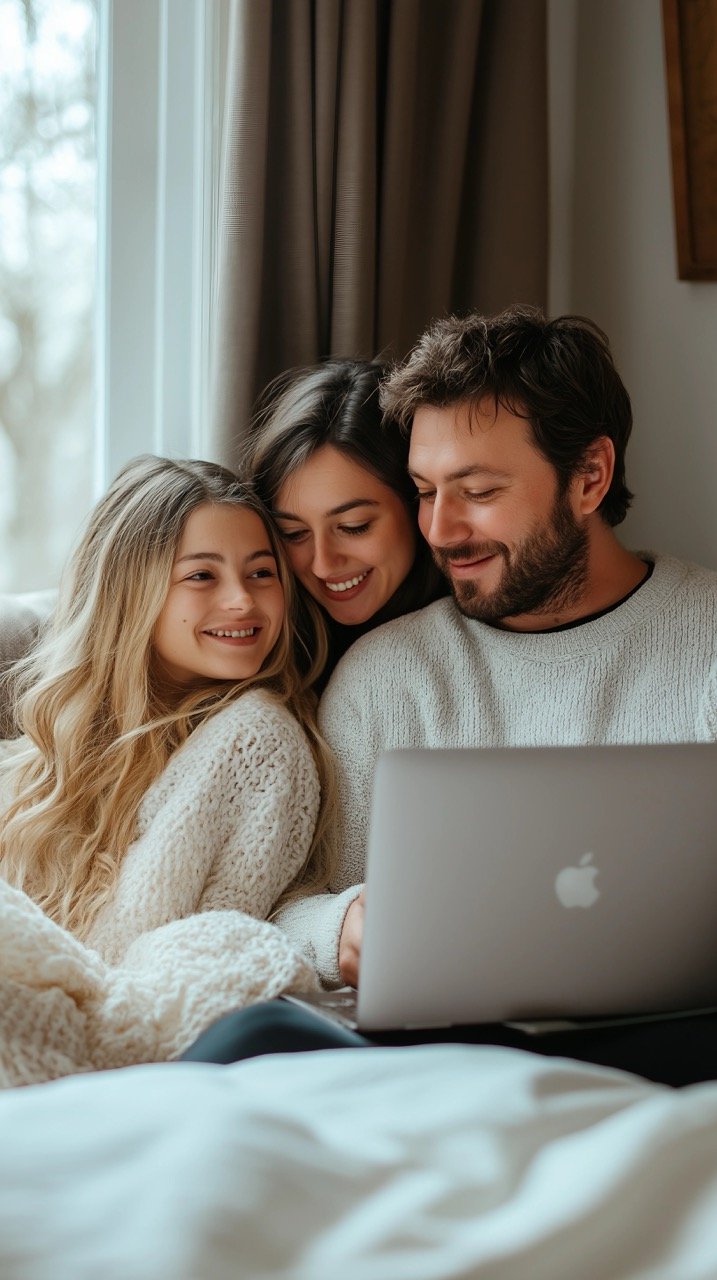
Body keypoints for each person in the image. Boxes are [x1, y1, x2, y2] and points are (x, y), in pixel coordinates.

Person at [183, 306, 717, 1086]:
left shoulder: (702, 643)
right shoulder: (388, 675)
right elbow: (292, 901)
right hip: (443, 1052)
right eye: (425, 491)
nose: (439, 529)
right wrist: (340, 929)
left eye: (476, 490)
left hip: (673, 1037)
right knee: (251, 1038)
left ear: (589, 477)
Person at [0, 454, 337, 1086]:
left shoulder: (256, 741)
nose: (242, 600)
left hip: (121, 1057)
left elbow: (162, 960)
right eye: (203, 576)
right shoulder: (58, 748)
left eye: (261, 572)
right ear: (132, 592)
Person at [241, 359, 446, 682]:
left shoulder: (468, 642)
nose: (323, 565)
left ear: (417, 500)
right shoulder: (262, 644)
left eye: (354, 527)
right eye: (293, 533)